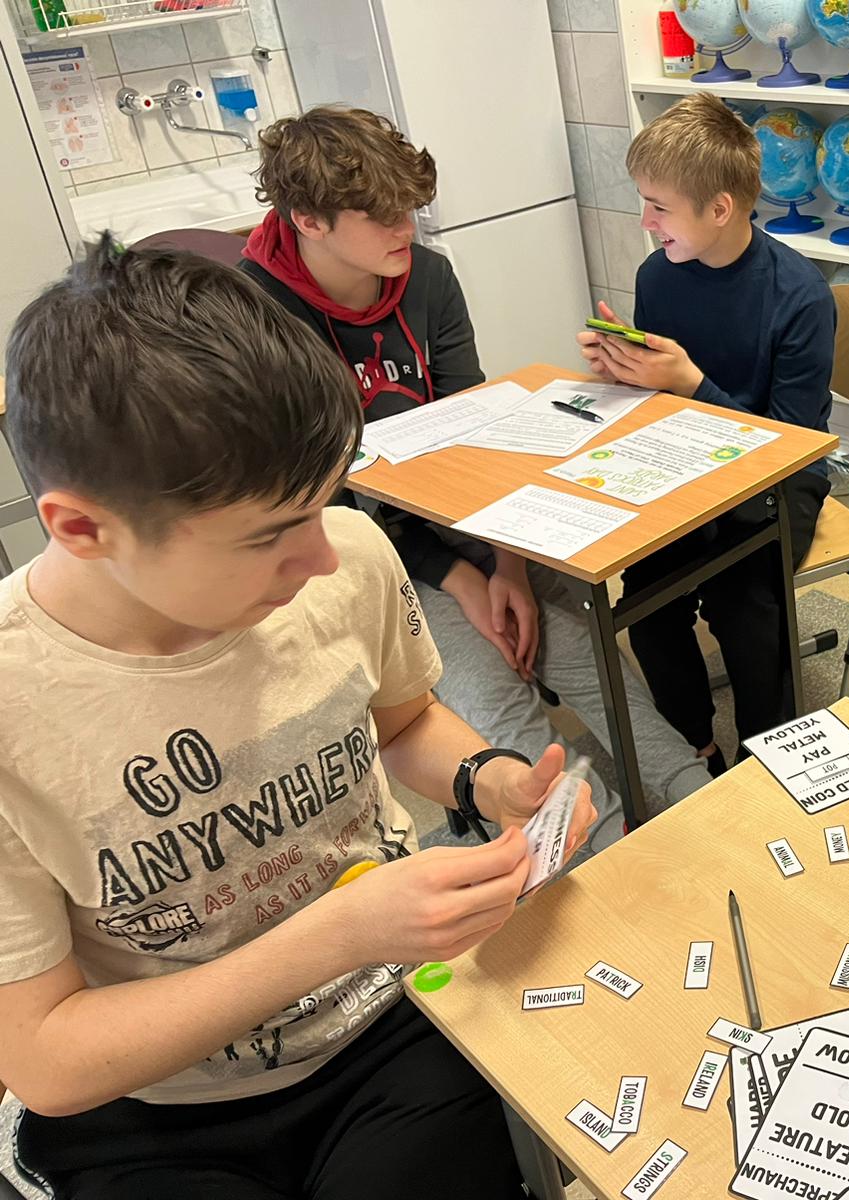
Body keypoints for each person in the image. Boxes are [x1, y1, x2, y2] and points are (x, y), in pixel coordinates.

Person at [0, 239, 600, 1197]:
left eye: (325, 507)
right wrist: (341, 933)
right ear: (81, 528)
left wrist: (485, 779)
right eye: (272, 535)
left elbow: (401, 723)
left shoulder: (350, 556)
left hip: (390, 1019)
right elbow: (46, 1059)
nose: (323, 560)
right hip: (156, 1102)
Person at [240, 105, 711, 829]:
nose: (406, 229)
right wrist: (461, 577)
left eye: (410, 209)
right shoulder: (255, 318)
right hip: (369, 558)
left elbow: (483, 435)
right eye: (382, 216)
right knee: (498, 707)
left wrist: (509, 565)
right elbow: (327, 509)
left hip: (474, 518)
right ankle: (603, 849)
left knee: (584, 655)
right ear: (309, 221)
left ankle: (700, 800)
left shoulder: (427, 276)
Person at [576, 94, 836, 768]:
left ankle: (769, 760)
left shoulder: (800, 297)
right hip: (687, 465)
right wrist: (625, 369)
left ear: (719, 209)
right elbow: (662, 400)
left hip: (779, 479)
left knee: (746, 603)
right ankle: (694, 747)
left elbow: (791, 447)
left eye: (658, 207)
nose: (645, 221)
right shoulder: (658, 276)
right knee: (647, 596)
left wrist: (691, 383)